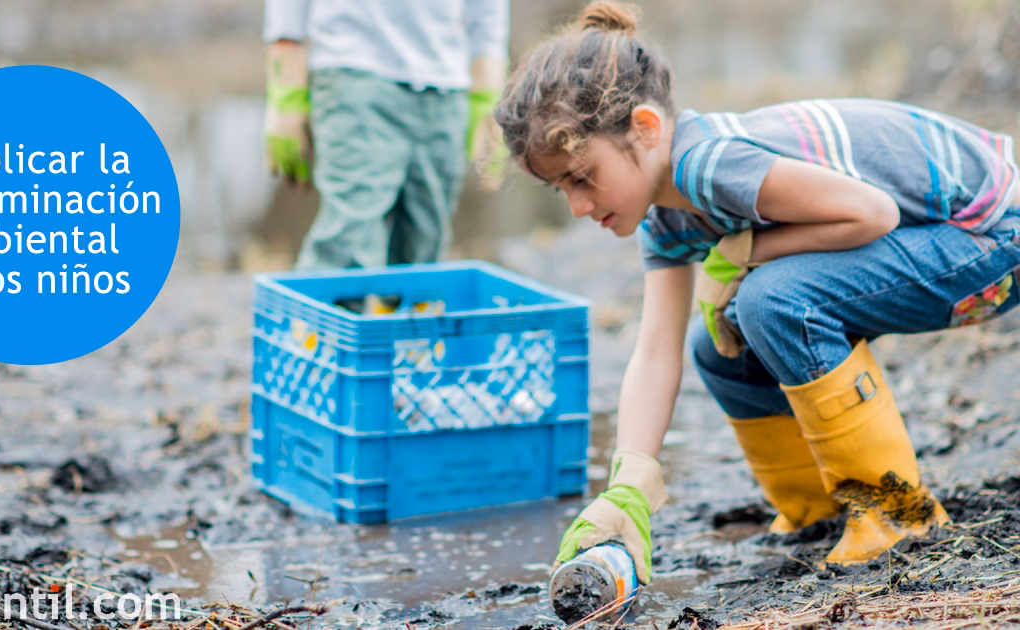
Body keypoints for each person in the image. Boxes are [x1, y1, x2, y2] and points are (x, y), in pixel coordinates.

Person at [494, 0, 1020, 586]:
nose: (576, 206)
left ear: (645, 128)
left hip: (991, 236)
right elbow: (656, 353)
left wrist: (740, 254)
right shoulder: (664, 219)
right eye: (560, 188)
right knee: (715, 344)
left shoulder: (710, 163)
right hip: (937, 244)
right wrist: (629, 485)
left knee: (770, 299)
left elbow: (873, 213)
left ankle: (896, 513)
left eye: (582, 176)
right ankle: (814, 509)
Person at [262, 0, 510, 270]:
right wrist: (285, 80)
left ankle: (405, 300)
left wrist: (489, 84)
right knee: (350, 240)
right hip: (355, 68)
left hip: (446, 84)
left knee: (424, 247)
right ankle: (324, 299)